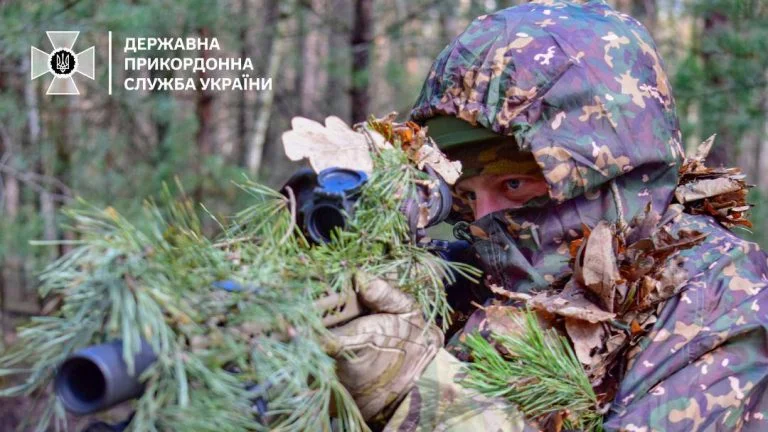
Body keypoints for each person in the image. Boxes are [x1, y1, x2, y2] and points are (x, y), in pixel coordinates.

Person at [331, 0, 768, 431]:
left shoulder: (717, 292)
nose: (484, 218)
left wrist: (418, 396)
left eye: (513, 185)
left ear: (614, 179)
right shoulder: (476, 276)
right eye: (467, 195)